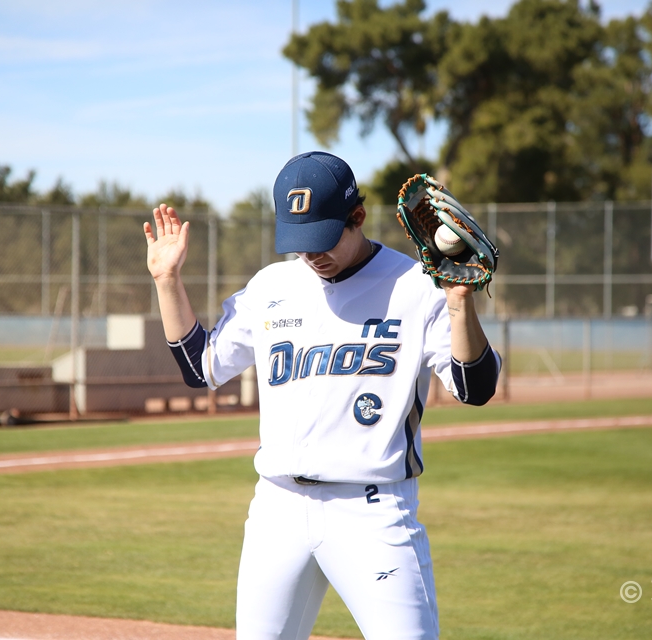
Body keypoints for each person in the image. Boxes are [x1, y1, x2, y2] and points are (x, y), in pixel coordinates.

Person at [144, 151, 501, 640]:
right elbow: (200, 366)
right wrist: (167, 282)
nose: (312, 254)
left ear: (358, 217)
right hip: (278, 510)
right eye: (300, 241)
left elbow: (475, 389)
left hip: (372, 511)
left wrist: (458, 302)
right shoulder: (272, 286)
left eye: (324, 238)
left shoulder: (417, 286)